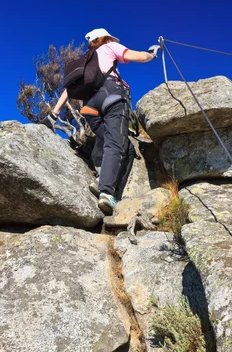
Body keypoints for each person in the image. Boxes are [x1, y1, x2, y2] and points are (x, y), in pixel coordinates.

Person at [45, 28, 160, 215]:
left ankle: (103, 178)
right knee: (116, 144)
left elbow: (68, 90)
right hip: (111, 97)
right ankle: (106, 192)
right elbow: (135, 56)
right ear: (105, 38)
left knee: (124, 147)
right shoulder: (109, 47)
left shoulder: (84, 60)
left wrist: (54, 114)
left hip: (89, 108)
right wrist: (151, 54)